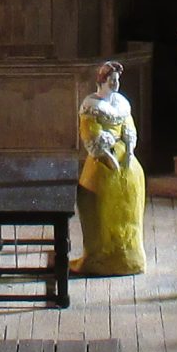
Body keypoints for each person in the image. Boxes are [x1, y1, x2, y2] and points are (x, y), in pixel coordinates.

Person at [73, 58, 147, 276]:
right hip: (102, 165)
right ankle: (99, 257)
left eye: (117, 80)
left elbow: (129, 128)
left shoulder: (121, 104)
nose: (115, 84)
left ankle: (129, 256)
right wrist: (107, 155)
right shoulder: (91, 107)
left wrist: (129, 150)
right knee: (100, 212)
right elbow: (90, 136)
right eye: (112, 80)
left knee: (128, 212)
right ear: (102, 81)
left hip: (127, 165)